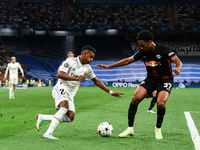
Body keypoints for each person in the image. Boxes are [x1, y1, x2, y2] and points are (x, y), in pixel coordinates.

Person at [97, 30, 182, 139]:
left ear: (150, 42)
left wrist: (178, 68)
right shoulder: (143, 51)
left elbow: (178, 61)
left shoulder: (164, 49)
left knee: (160, 103)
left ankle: (158, 129)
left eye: (143, 45)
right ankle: (130, 129)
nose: (141, 47)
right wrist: (109, 66)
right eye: (139, 45)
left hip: (165, 80)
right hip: (150, 79)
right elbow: (127, 61)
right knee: (135, 98)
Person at [35, 45, 123, 140]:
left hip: (70, 94)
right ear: (84, 54)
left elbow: (97, 81)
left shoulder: (87, 68)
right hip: (60, 87)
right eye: (91, 57)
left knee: (70, 117)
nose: (92, 59)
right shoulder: (70, 61)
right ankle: (48, 133)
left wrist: (111, 92)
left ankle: (42, 117)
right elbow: (60, 74)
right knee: (64, 108)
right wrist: (76, 78)